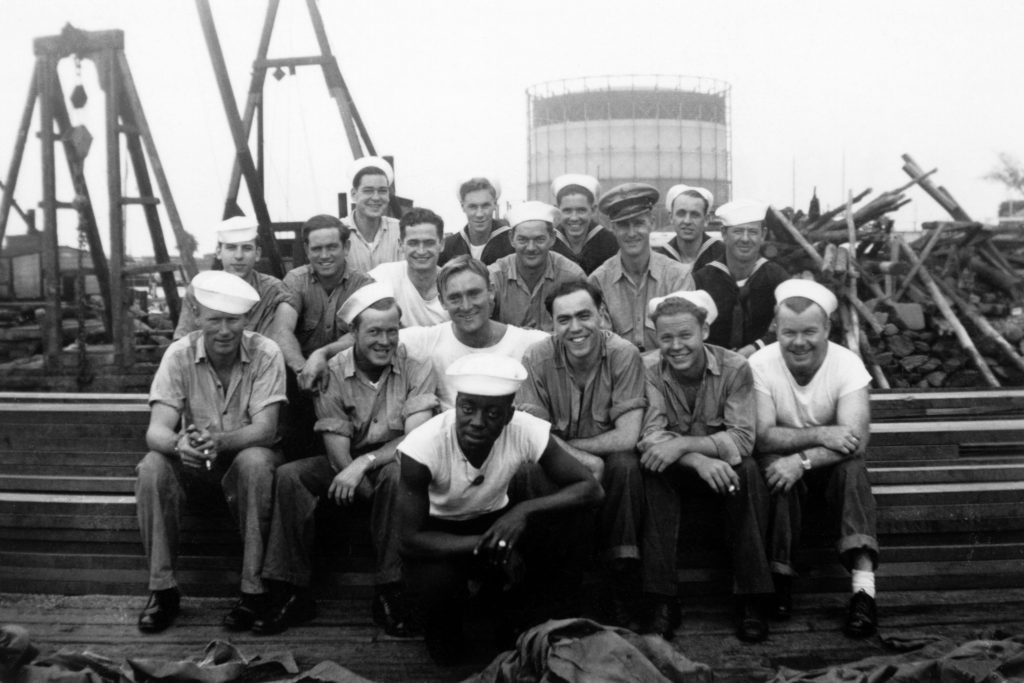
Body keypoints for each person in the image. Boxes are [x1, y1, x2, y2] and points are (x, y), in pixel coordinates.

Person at [257, 283, 439, 637]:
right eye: (374, 332)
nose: (385, 341)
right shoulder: (333, 371)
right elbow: (336, 449)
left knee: (399, 474)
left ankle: (390, 590)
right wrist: (357, 475)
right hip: (343, 462)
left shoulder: (417, 366)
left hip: (390, 460)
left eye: (392, 331)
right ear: (353, 332)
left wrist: (364, 464)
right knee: (291, 476)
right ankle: (290, 590)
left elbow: (415, 439)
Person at [397, 353, 603, 665]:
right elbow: (410, 540)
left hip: (495, 519)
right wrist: (492, 545)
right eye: (467, 408)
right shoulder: (423, 445)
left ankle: (535, 620)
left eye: (492, 413)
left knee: (569, 521)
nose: (477, 421)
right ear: (456, 405)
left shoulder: (524, 428)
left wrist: (524, 511)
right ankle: (451, 626)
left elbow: (590, 488)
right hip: (439, 535)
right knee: (447, 649)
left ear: (509, 415)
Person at [135, 271, 286, 633]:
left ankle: (253, 592)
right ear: (197, 317)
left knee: (256, 461)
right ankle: (163, 591)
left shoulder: (267, 353)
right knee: (152, 466)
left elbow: (265, 430)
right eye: (214, 320)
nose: (224, 330)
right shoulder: (179, 354)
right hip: (197, 467)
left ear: (246, 319)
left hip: (246, 467)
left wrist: (217, 441)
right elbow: (156, 430)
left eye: (233, 320)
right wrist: (179, 444)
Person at [637, 290, 774, 643]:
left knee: (748, 471)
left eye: (685, 335)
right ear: (656, 338)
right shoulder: (648, 370)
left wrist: (683, 444)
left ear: (705, 332)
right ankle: (662, 599)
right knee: (652, 473)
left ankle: (751, 597)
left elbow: (742, 439)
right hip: (678, 473)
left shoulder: (735, 368)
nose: (676, 346)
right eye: (666, 338)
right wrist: (696, 459)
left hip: (722, 474)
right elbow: (651, 437)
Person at [749, 279, 878, 638]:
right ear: (776, 329)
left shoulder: (847, 364)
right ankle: (780, 580)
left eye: (809, 332)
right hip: (782, 463)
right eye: (789, 332)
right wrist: (822, 435)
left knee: (853, 471)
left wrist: (802, 460)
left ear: (827, 329)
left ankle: (864, 593)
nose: (799, 342)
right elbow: (762, 436)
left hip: (830, 469)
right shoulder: (760, 363)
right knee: (777, 471)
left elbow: (855, 440)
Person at [515, 280, 647, 627]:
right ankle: (550, 585)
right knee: (530, 470)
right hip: (557, 463)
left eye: (584, 315)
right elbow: (533, 433)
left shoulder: (623, 354)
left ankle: (621, 575)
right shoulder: (536, 357)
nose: (575, 327)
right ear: (552, 324)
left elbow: (628, 436)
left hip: (606, 463)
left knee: (626, 465)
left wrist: (579, 453)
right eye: (564, 319)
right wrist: (583, 461)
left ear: (602, 314)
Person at [272, 215, 373, 456]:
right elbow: (281, 330)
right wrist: (302, 369)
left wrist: (322, 354)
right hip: (302, 381)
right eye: (317, 248)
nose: (324, 255)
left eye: (332, 247)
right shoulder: (296, 280)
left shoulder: (363, 284)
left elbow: (361, 335)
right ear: (307, 250)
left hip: (348, 377)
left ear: (346, 247)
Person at [588, 182, 693, 352]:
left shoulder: (677, 277)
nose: (631, 233)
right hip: (618, 368)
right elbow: (602, 346)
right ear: (612, 228)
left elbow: (682, 342)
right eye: (623, 225)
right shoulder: (598, 281)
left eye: (638, 223)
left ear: (652, 223)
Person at [694, 199, 789, 357]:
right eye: (738, 231)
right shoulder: (702, 279)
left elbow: (789, 323)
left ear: (763, 235)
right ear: (724, 234)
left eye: (752, 232)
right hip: (713, 362)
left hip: (764, 360)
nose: (745, 239)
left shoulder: (776, 277)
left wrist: (756, 347)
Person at [173, 217, 291, 339]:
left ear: (257, 254)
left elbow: (278, 339)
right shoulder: (199, 289)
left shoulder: (273, 290)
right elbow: (182, 341)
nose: (239, 256)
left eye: (247, 248)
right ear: (219, 252)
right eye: (231, 247)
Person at [488, 200, 585, 331]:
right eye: (523, 240)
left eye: (539, 239)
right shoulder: (495, 277)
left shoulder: (572, 276)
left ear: (552, 238)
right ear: (511, 239)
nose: (531, 248)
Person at [367, 207, 449, 327]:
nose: (421, 251)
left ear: (441, 244)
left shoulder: (454, 284)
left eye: (429, 243)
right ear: (401, 245)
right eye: (413, 243)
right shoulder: (382, 276)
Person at [548, 173, 619, 275]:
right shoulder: (549, 243)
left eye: (581, 210)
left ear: (593, 209)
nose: (574, 218)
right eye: (567, 210)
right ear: (557, 210)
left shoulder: (611, 242)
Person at [343, 156, 403, 273]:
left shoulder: (400, 230)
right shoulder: (338, 231)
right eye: (368, 191)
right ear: (354, 194)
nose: (376, 197)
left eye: (382, 191)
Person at [653, 184, 724, 280]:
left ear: (706, 219)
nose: (687, 221)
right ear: (671, 217)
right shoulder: (660, 259)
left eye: (694, 215)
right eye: (681, 214)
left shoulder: (723, 255)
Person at [438, 177, 514, 266]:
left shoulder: (513, 243)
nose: (479, 214)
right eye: (473, 207)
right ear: (462, 206)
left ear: (495, 205)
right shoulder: (448, 248)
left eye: (485, 206)